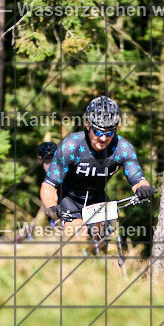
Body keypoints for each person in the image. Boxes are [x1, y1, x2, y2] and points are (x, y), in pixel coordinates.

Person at [39, 96, 155, 246]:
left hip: (97, 199)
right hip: (68, 198)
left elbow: (137, 179)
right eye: (98, 132)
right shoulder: (71, 145)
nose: (103, 138)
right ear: (88, 124)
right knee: (78, 233)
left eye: (110, 132)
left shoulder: (123, 148)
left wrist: (143, 188)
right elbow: (48, 186)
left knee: (106, 242)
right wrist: (51, 207)